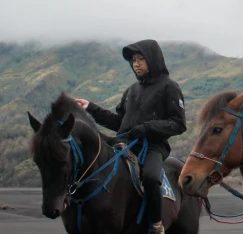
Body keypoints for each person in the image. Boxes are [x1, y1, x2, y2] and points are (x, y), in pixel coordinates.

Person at [75, 40, 186, 234]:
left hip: (152, 146)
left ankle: (157, 224)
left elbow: (178, 124)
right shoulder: (131, 90)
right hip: (125, 144)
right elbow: (118, 122)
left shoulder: (170, 87)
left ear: (153, 59)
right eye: (134, 60)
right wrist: (90, 107)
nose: (136, 64)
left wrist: (147, 128)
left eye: (141, 59)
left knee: (151, 178)